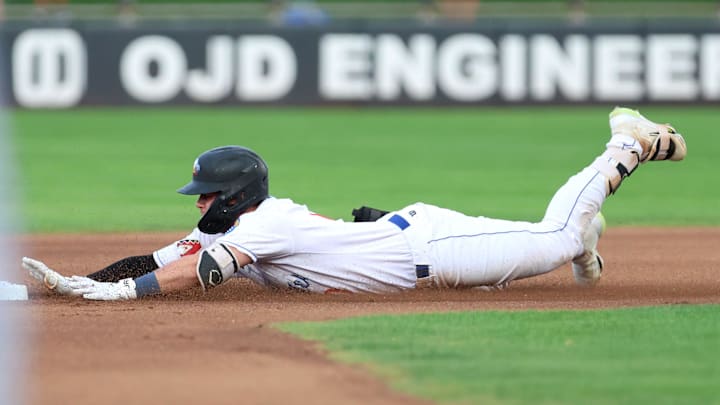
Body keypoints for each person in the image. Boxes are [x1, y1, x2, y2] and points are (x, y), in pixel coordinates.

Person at [23, 107, 687, 300]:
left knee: (557, 237)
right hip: (408, 241)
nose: (198, 210)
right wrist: (81, 283)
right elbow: (158, 256)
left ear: (235, 196)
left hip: (430, 250)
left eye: (206, 198)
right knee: (552, 236)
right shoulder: (241, 220)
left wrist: (123, 295)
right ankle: (590, 223)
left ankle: (624, 147)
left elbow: (198, 271)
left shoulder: (265, 221)